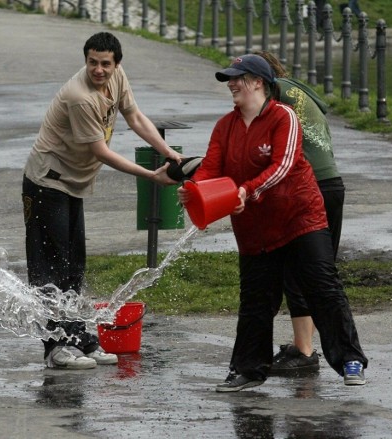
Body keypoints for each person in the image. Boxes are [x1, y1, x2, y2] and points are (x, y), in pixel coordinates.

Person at [177, 54, 368, 392]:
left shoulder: (284, 117)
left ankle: (350, 360)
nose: (232, 84)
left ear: (258, 83)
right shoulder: (225, 125)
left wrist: (245, 190)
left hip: (300, 218)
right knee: (255, 298)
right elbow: (211, 169)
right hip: (255, 227)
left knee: (322, 286)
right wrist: (194, 190)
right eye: (229, 79)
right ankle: (248, 370)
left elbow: (282, 167)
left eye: (238, 78)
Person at [22, 32, 181, 369]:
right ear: (86, 60)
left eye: (105, 63)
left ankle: (78, 339)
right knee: (52, 268)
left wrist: (167, 153)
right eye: (92, 62)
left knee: (74, 265)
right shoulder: (81, 97)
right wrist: (152, 175)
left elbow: (135, 117)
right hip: (46, 184)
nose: (98, 69)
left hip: (71, 185)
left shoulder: (117, 78)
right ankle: (55, 349)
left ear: (116, 64)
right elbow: (101, 152)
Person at [256, 51, 346, 374]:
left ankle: (305, 353)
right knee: (316, 272)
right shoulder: (298, 90)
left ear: (261, 79)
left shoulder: (274, 94)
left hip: (311, 189)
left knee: (296, 270)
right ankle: (303, 344)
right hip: (332, 185)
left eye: (246, 80)